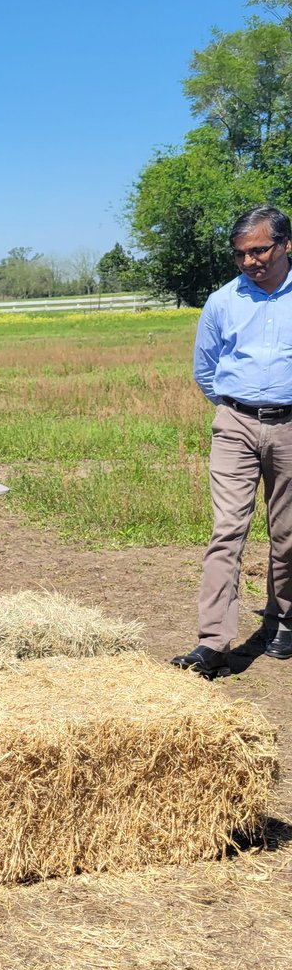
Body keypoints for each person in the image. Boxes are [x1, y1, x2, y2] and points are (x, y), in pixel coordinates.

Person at [173, 204, 292, 678]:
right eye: (241, 254)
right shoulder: (223, 301)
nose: (249, 261)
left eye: (259, 250)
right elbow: (205, 370)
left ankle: (283, 619)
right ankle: (213, 644)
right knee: (227, 532)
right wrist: (232, 411)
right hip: (236, 423)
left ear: (286, 244)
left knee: (286, 535)